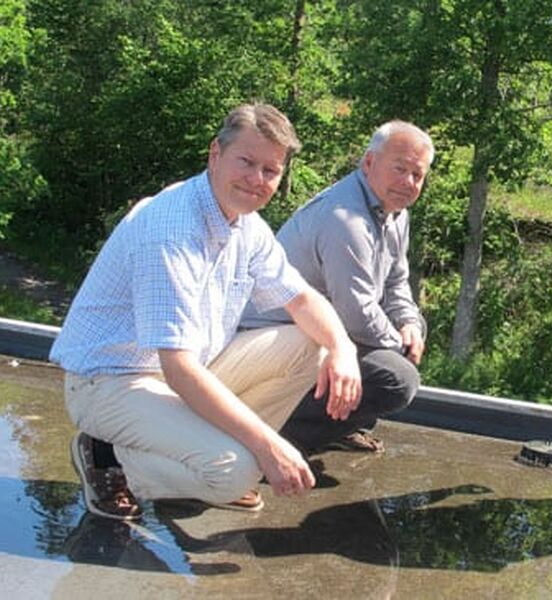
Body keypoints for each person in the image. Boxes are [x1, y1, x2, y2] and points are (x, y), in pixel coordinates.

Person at [50, 103, 362, 521]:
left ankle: (218, 457)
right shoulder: (171, 229)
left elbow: (302, 300)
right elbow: (177, 367)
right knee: (235, 471)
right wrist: (271, 447)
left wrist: (343, 349)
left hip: (181, 371)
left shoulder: (246, 226)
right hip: (110, 381)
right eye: (246, 162)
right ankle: (106, 458)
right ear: (215, 154)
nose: (257, 180)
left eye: (270, 171)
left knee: (313, 344)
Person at [242, 120, 432, 453]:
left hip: (324, 333)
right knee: (396, 378)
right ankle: (273, 439)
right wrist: (399, 347)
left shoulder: (395, 212)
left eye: (417, 176)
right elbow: (356, 313)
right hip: (275, 339)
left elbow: (396, 281)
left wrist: (410, 324)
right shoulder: (345, 218)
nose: (408, 182)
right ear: (369, 162)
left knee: (391, 360)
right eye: (399, 169)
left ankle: (336, 426)